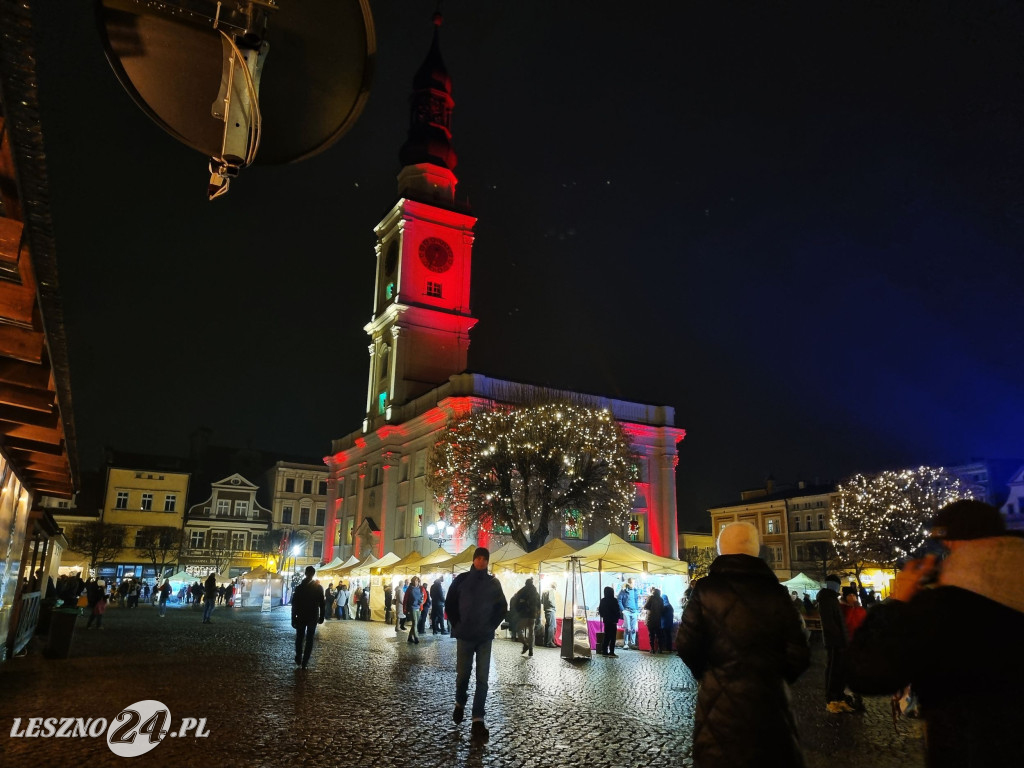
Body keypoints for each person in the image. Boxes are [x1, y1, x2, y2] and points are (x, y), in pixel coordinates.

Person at [847, 500, 1024, 768]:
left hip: (968, 752)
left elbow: (866, 673)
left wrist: (897, 602)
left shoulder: (942, 607)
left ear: (952, 543)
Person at [677, 521, 809, 768]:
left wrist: (708, 674)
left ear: (720, 550)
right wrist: (773, 677)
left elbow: (686, 644)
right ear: (756, 550)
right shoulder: (778, 593)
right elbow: (800, 654)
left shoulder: (705, 590)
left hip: (719, 709)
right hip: (770, 707)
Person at [446, 547, 507, 744]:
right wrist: (457, 623)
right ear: (473, 560)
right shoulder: (461, 580)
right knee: (463, 675)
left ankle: (478, 719)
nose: (481, 562)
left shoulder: (493, 583)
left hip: (484, 637)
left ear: (487, 562)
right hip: (465, 636)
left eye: (484, 559)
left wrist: (491, 625)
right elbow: (450, 603)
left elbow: (502, 607)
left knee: (483, 678)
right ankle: (459, 702)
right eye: (478, 558)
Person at [817, 573, 853, 713]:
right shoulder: (827, 599)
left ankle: (839, 698)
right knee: (833, 671)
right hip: (835, 642)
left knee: (839, 671)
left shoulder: (832, 599)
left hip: (839, 641)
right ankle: (832, 700)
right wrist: (840, 639)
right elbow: (830, 623)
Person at [291, 565, 326, 669]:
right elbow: (322, 603)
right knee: (309, 639)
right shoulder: (318, 587)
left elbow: (295, 604)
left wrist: (293, 618)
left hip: (301, 615)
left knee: (300, 637)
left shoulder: (299, 587)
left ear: (305, 573)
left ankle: (298, 655)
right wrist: (322, 616)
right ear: (313, 574)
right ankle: (305, 661)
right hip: (312, 616)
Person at [510, 577, 541, 656]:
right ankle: (531, 650)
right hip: (533, 615)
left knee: (518, 630)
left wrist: (518, 610)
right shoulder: (536, 593)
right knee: (531, 633)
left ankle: (525, 644)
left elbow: (515, 600)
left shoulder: (522, 591)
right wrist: (537, 615)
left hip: (524, 615)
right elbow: (539, 605)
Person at [617, 577, 642, 650]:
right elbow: (619, 600)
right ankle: (626, 644)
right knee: (627, 628)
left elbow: (636, 600)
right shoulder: (623, 591)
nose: (634, 584)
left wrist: (637, 610)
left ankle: (633, 643)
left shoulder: (635, 591)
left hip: (634, 611)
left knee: (633, 628)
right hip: (627, 611)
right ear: (629, 583)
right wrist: (623, 610)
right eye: (633, 583)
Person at [597, 585, 622, 656]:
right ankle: (611, 652)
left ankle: (604, 651)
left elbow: (600, 610)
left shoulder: (603, 600)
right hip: (613, 621)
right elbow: (617, 610)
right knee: (613, 637)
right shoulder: (614, 600)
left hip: (606, 620)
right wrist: (617, 617)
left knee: (606, 636)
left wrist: (603, 615)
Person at [643, 587, 664, 653]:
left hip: (650, 619)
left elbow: (645, 607)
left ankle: (652, 649)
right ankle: (660, 649)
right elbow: (662, 609)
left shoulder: (651, 598)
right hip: (658, 620)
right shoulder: (661, 599)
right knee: (659, 635)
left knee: (651, 635)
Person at [404, 575, 423, 643]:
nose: (416, 582)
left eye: (417, 581)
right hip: (412, 607)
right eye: (415, 581)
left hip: (418, 607)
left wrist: (421, 601)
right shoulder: (410, 589)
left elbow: (422, 597)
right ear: (412, 581)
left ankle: (409, 637)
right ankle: (416, 637)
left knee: (415, 623)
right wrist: (405, 609)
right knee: (415, 622)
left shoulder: (419, 588)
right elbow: (405, 599)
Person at [541, 581, 558, 647]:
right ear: (554, 586)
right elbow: (550, 600)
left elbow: (541, 601)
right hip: (551, 610)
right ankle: (550, 642)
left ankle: (545, 642)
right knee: (552, 626)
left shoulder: (544, 591)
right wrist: (554, 606)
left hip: (546, 610)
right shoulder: (551, 590)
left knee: (547, 626)